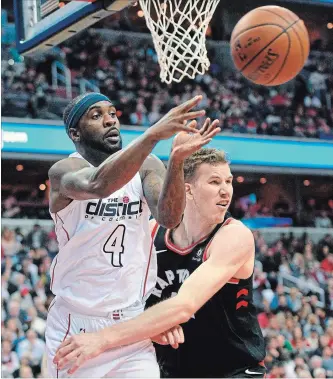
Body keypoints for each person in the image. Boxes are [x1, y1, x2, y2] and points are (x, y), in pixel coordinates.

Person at [45, 92, 220, 378]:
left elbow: (169, 218)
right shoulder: (65, 171)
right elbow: (98, 184)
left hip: (130, 323)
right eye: (96, 115)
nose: (110, 120)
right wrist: (153, 134)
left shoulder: (147, 165)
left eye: (112, 113)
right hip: (77, 324)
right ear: (75, 133)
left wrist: (176, 161)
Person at [54, 147, 266, 378]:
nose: (226, 191)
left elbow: (184, 306)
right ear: (188, 189)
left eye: (228, 181)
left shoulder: (233, 236)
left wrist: (102, 338)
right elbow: (122, 297)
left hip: (234, 370)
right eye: (215, 182)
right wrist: (150, 329)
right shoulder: (150, 231)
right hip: (172, 369)